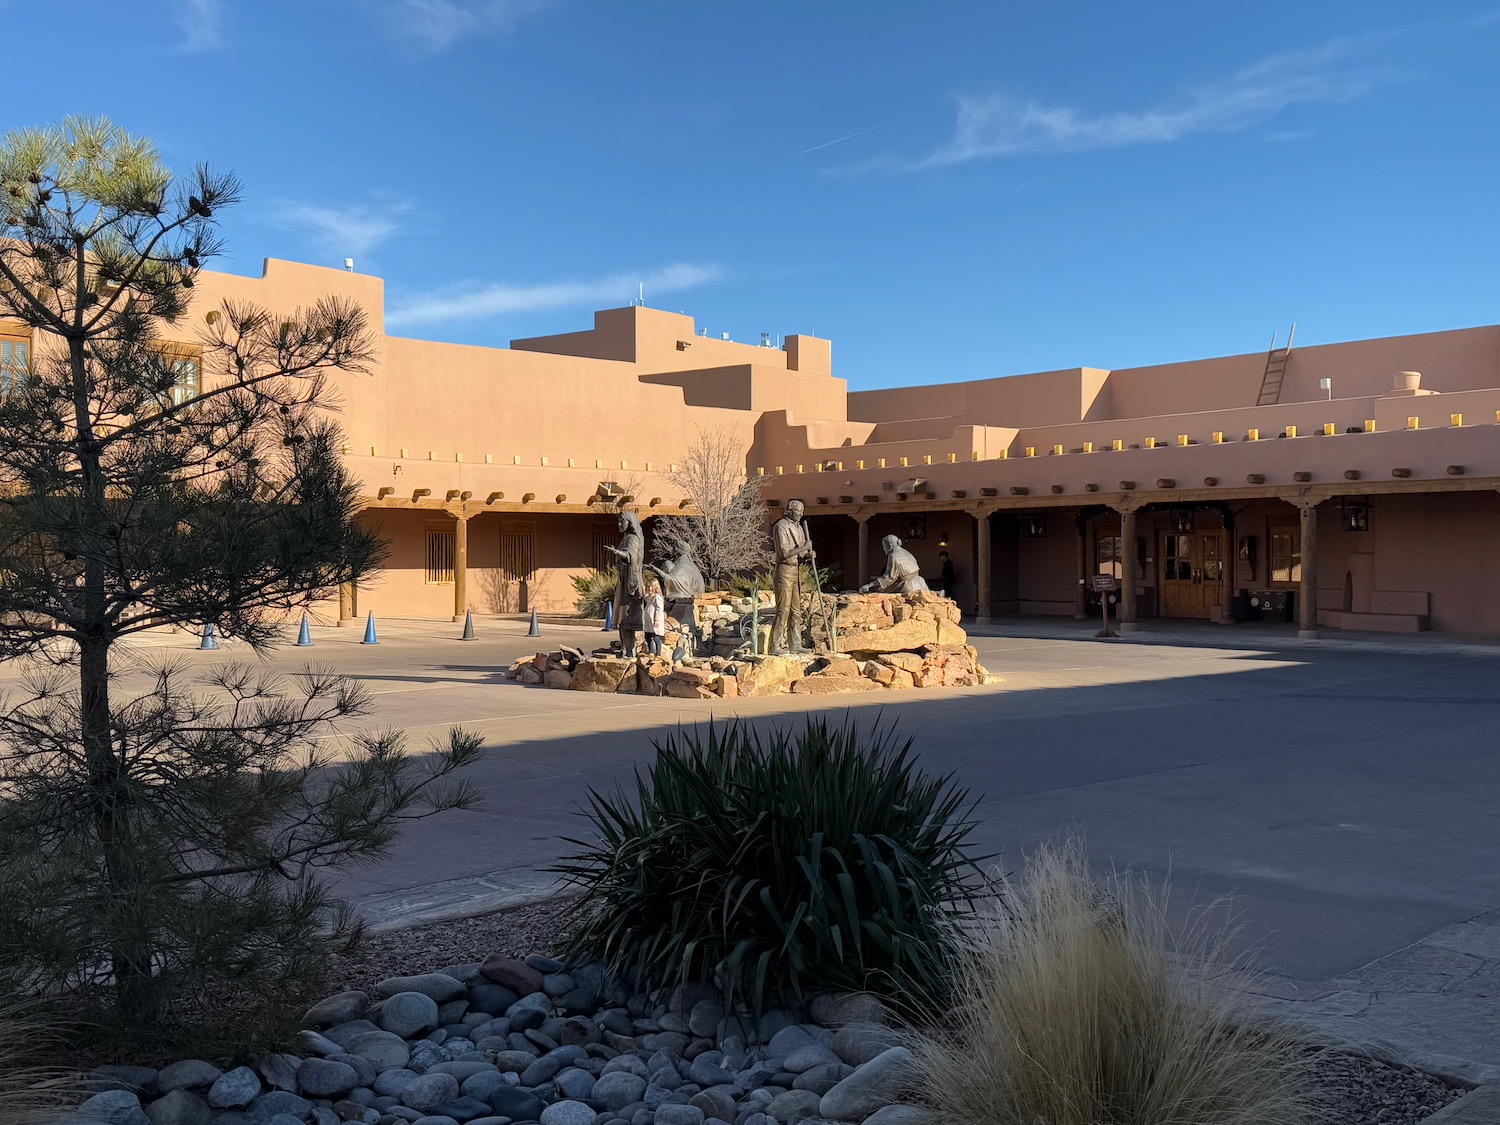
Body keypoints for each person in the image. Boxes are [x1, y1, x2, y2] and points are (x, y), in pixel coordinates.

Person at [770, 499, 814, 654]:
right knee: (783, 609)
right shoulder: (781, 526)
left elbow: (801, 553)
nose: (801, 514)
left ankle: (795, 644)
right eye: (798, 511)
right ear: (789, 510)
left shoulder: (799, 528)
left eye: (802, 511)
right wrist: (804, 547)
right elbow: (784, 553)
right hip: (784, 571)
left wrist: (809, 554)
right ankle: (775, 645)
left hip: (796, 571)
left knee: (796, 610)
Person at [860, 534, 930, 595]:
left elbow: (889, 578)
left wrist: (869, 585)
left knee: (881, 591)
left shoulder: (893, 555)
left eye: (884, 546)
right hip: (920, 583)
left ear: (889, 546)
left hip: (908, 586)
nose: (883, 548)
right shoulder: (905, 551)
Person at [642, 575, 666, 658]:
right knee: (647, 636)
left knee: (656, 637)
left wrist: (657, 620)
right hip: (648, 621)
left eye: (650, 587)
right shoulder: (649, 597)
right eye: (647, 587)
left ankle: (658, 653)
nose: (649, 589)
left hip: (654, 621)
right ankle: (651, 651)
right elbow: (645, 597)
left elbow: (659, 609)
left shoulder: (657, 598)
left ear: (655, 587)